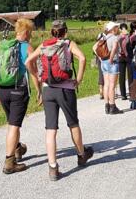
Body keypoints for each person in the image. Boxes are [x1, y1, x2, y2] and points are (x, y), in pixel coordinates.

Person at [25, 20, 94, 181]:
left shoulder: (43, 45)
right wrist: (78, 79)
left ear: (52, 32)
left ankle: (53, 168)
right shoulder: (68, 44)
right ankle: (81, 155)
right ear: (65, 31)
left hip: (48, 90)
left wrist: (37, 76)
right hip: (65, 90)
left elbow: (28, 61)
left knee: (51, 129)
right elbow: (83, 58)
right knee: (73, 124)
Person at [0, 19, 34, 174]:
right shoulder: (27, 47)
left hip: (3, 89)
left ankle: (17, 149)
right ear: (27, 32)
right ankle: (9, 162)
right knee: (14, 126)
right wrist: (40, 91)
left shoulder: (5, 46)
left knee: (12, 123)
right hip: (18, 90)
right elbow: (33, 71)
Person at [95, 21, 123, 114]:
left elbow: (95, 48)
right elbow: (114, 48)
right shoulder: (114, 38)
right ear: (113, 29)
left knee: (106, 85)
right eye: (116, 27)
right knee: (112, 86)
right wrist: (111, 58)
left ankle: (106, 106)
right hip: (112, 62)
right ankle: (112, 106)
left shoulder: (104, 38)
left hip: (104, 62)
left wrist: (101, 58)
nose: (118, 29)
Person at [117, 23, 132, 101]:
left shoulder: (118, 37)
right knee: (130, 75)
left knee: (121, 76)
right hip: (128, 57)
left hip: (120, 57)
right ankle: (131, 92)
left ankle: (123, 94)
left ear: (120, 29)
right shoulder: (129, 37)